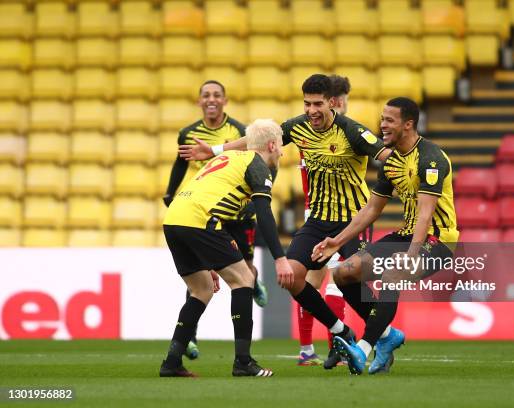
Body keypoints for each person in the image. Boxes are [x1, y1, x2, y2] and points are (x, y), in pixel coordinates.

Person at [179, 74, 405, 371]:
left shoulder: (351, 131)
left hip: (352, 220)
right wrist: (215, 151)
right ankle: (348, 332)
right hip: (317, 220)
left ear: (331, 103)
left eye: (318, 104)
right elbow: (258, 141)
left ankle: (379, 335)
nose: (311, 110)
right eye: (307, 103)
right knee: (292, 277)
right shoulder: (299, 126)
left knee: (351, 279)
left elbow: (387, 156)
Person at [311, 97, 459, 375]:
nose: (382, 126)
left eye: (389, 120)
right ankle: (387, 335)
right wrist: (337, 241)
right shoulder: (391, 162)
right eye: (382, 119)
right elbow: (371, 210)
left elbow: (426, 216)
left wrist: (410, 256)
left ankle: (364, 348)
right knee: (345, 272)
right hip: (408, 234)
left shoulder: (431, 158)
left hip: (438, 240)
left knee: (393, 274)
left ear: (408, 124)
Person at [160, 119, 293, 378]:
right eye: (279, 147)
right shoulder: (257, 166)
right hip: (199, 220)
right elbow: (264, 215)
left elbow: (213, 199)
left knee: (201, 289)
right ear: (271, 144)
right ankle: (243, 362)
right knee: (244, 279)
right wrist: (280, 257)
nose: (282, 152)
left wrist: (208, 258)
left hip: (174, 219)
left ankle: (172, 362)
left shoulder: (230, 158)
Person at [163, 80, 268, 360]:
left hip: (236, 213)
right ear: (199, 101)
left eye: (216, 95)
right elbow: (180, 163)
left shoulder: (238, 130)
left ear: (225, 100)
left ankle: (177, 353)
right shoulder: (188, 133)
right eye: (206, 95)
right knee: (209, 280)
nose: (211, 99)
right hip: (205, 211)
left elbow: (249, 166)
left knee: (242, 272)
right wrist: (169, 193)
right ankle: (195, 339)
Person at [296, 74, 351, 367]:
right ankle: (337, 350)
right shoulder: (336, 134)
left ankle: (306, 349)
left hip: (312, 213)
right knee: (336, 282)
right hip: (335, 215)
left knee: (310, 281)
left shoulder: (305, 131)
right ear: (338, 101)